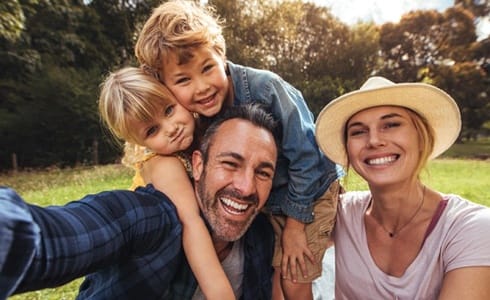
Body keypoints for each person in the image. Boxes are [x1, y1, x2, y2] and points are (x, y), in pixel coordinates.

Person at [134, 1, 344, 298]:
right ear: (167, 87)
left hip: (313, 192)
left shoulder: (267, 89)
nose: (202, 87)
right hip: (270, 199)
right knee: (276, 278)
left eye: (207, 68)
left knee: (295, 276)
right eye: (183, 80)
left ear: (221, 54)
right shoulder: (197, 118)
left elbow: (308, 156)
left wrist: (296, 227)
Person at [1, 104, 278, 299]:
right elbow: (60, 236)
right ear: (197, 164)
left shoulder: (262, 237)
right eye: (230, 163)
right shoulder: (153, 218)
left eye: (263, 172)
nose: (245, 187)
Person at [315, 76, 490, 299]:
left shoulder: (472, 229)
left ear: (421, 137)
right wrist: (293, 230)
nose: (374, 140)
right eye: (358, 131)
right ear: (348, 150)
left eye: (391, 125)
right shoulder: (340, 214)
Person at [98, 66, 235, 299]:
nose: (171, 129)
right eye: (152, 130)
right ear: (136, 141)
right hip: (153, 277)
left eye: (169, 110)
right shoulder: (164, 165)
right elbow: (192, 226)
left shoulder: (195, 140)